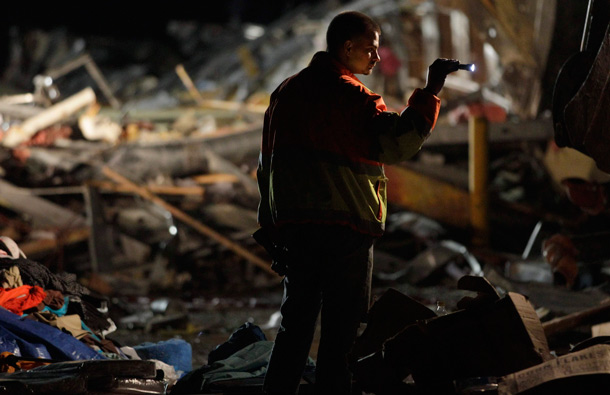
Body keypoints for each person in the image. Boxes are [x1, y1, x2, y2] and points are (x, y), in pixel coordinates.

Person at [254, 10, 459, 395]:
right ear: (347, 48)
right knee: (342, 332)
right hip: (346, 232)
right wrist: (430, 91)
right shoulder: (354, 97)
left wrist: (271, 227)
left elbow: (266, 167)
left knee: (295, 326)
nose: (376, 58)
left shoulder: (286, 93)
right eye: (371, 49)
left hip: (297, 232)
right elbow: (398, 141)